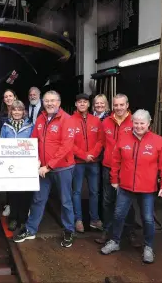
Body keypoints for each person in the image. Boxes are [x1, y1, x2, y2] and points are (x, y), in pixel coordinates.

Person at [100, 109, 162, 264]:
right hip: (125, 187)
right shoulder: (123, 139)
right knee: (118, 215)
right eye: (136, 123)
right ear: (132, 123)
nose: (139, 126)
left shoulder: (159, 142)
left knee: (147, 219)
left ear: (148, 123)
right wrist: (114, 179)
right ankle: (115, 241)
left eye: (142, 123)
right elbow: (115, 161)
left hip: (148, 188)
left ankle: (148, 247)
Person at [14, 90, 77, 248]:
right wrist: (34, 158)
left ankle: (69, 230)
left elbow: (66, 147)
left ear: (59, 103)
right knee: (38, 199)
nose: (49, 103)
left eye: (53, 100)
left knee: (65, 201)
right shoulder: (41, 118)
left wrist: (49, 166)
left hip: (62, 168)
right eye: (47, 101)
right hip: (42, 168)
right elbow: (33, 139)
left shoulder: (67, 120)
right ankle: (30, 229)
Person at [96, 94, 139, 247]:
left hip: (127, 168)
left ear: (127, 105)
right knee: (108, 201)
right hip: (108, 166)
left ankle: (130, 232)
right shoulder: (106, 122)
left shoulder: (135, 121)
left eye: (122, 105)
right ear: (112, 106)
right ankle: (107, 231)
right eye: (116, 105)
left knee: (128, 202)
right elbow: (101, 142)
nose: (119, 108)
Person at [0, 100, 34, 231]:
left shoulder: (30, 125)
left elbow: (34, 143)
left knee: (25, 192)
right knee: (13, 193)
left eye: (20, 109)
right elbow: (1, 143)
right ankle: (13, 218)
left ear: (23, 111)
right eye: (14, 110)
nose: (17, 112)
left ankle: (23, 218)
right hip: (11, 165)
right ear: (11, 111)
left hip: (26, 164)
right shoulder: (5, 126)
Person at [71, 93, 104, 233]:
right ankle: (78, 220)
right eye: (80, 102)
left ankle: (94, 220)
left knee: (94, 192)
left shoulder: (96, 121)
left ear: (89, 104)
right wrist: (84, 155)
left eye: (85, 102)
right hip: (78, 162)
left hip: (93, 162)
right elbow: (69, 143)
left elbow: (101, 140)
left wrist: (93, 155)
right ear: (76, 105)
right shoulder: (70, 120)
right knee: (77, 192)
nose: (82, 104)